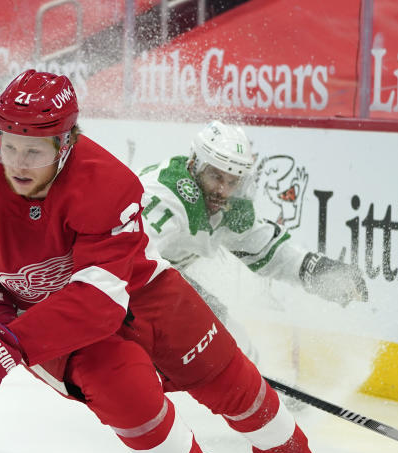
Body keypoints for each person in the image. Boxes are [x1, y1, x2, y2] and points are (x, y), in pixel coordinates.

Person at [0, 70, 366, 453]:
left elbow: (99, 303)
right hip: (46, 321)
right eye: (5, 145)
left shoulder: (107, 182)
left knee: (227, 372)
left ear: (66, 143)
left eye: (33, 150)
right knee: (131, 397)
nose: (16, 163)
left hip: (139, 288)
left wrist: (5, 343)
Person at [138, 121, 368, 362]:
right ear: (194, 164)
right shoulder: (167, 195)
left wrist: (315, 270)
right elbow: (130, 257)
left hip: (147, 276)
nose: (222, 190)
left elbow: (265, 248)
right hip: (121, 279)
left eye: (232, 181)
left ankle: (263, 392)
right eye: (215, 176)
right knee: (219, 329)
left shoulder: (224, 206)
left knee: (229, 335)